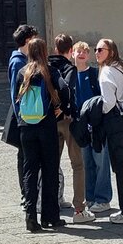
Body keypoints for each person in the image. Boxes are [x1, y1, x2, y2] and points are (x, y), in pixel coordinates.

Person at [14, 37, 65, 232]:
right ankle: (50, 217)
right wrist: (61, 108)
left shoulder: (22, 73)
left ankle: (30, 217)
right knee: (50, 170)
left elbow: (15, 98)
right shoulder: (50, 71)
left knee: (30, 172)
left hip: (26, 126)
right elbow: (65, 89)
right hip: (46, 125)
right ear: (44, 51)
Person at [95, 38, 123, 223]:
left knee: (120, 166)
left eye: (100, 50)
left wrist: (97, 113)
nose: (96, 53)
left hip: (113, 120)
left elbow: (108, 103)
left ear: (110, 52)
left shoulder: (107, 71)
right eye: (96, 50)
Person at [49, 33, 91, 223]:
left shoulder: (47, 66)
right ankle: (79, 210)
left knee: (51, 165)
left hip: (49, 120)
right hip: (67, 119)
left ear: (55, 48)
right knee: (77, 165)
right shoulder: (69, 68)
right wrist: (66, 108)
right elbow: (67, 89)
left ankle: (50, 207)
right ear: (70, 49)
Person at [71, 40, 113, 213]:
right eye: (78, 51)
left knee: (101, 162)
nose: (82, 54)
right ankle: (90, 198)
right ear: (72, 54)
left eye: (85, 52)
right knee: (86, 162)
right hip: (80, 126)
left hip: (96, 125)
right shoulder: (70, 75)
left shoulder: (95, 74)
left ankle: (103, 199)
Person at [6, 24, 38, 200]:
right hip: (24, 117)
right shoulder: (18, 61)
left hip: (26, 116)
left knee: (25, 156)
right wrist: (21, 118)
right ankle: (26, 192)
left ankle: (27, 192)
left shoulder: (23, 58)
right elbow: (15, 93)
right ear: (28, 40)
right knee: (24, 157)